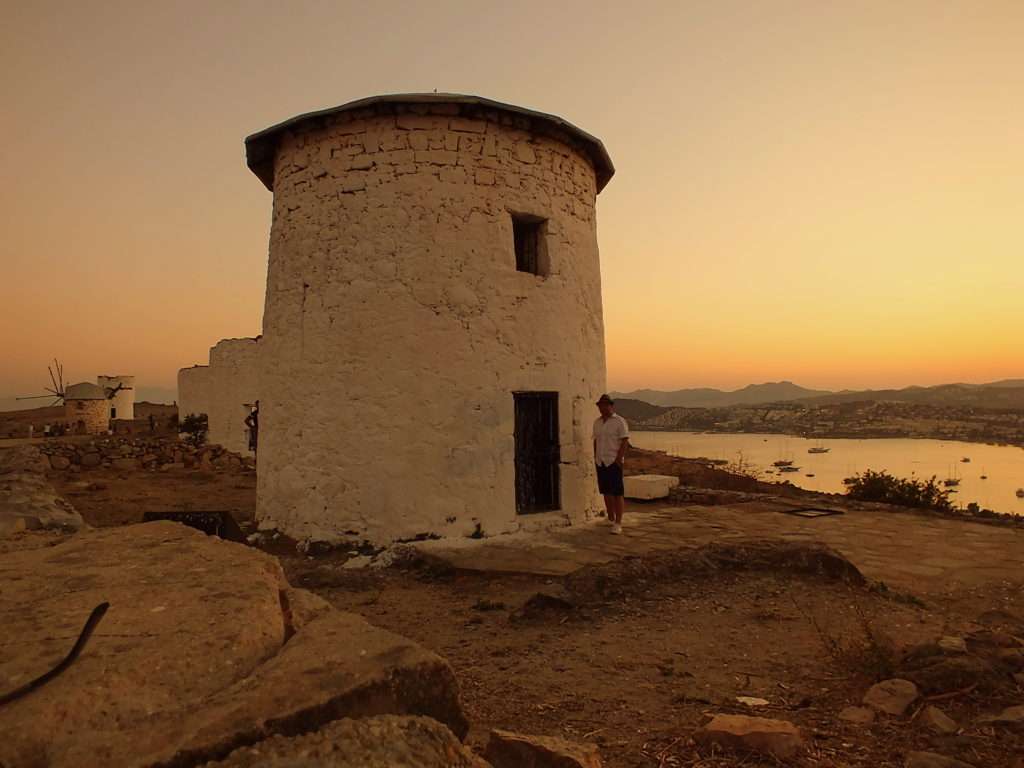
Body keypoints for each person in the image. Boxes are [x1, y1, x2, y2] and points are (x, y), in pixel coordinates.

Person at [593, 394, 629, 534]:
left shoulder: (619, 422)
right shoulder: (597, 422)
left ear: (611, 406)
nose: (602, 408)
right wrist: (595, 456)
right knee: (606, 491)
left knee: (617, 492)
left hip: (613, 461)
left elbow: (624, 441)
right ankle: (610, 518)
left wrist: (619, 459)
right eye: (600, 405)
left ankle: (618, 523)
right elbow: (596, 440)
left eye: (605, 405)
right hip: (600, 461)